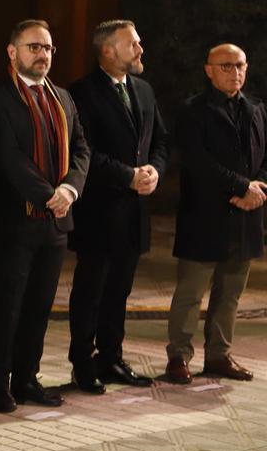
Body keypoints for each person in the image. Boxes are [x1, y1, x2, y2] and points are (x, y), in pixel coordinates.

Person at [0, 19, 90, 412]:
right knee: (7, 304)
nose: (42, 55)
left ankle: (27, 378)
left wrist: (69, 190)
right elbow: (8, 158)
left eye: (47, 48)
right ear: (13, 52)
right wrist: (49, 196)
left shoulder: (63, 98)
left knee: (40, 304)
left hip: (55, 221)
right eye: (33, 47)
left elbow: (81, 150)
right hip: (13, 219)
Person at [67, 20, 168, 393]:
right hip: (99, 211)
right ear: (107, 51)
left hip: (134, 214)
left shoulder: (143, 89)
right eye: (133, 44)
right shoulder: (82, 92)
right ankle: (82, 362)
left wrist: (155, 171)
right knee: (90, 291)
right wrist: (127, 176)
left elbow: (160, 141)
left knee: (119, 291)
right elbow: (84, 152)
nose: (141, 50)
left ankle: (111, 358)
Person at [165, 44, 264, 384]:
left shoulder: (256, 109)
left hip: (246, 218)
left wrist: (258, 189)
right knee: (191, 293)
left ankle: (219, 356)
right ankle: (178, 356)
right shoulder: (193, 111)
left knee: (230, 293)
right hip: (203, 217)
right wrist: (241, 188)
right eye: (225, 66)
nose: (234, 72)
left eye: (239, 65)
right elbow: (198, 162)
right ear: (208, 70)